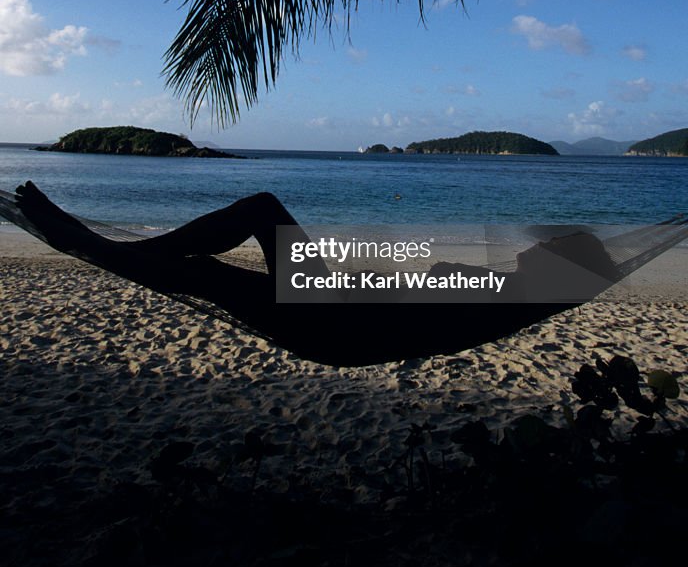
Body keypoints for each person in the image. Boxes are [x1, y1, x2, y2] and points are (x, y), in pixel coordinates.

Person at [4, 182, 684, 366]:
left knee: (213, 264)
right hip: (329, 302)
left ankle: (80, 242)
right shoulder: (508, 291)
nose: (531, 250)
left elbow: (402, 304)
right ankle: (99, 244)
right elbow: (400, 283)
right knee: (239, 232)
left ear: (556, 272)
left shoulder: (499, 297)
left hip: (331, 322)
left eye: (546, 252)